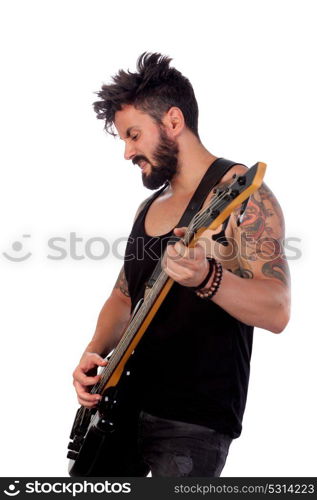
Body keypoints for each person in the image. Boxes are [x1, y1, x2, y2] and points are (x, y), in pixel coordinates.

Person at [72, 52, 290, 477]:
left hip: (191, 422)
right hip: (119, 406)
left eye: (133, 135)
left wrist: (208, 277)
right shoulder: (147, 207)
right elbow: (122, 297)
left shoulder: (244, 197)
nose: (127, 152)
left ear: (172, 121)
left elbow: (278, 309)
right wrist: (93, 352)